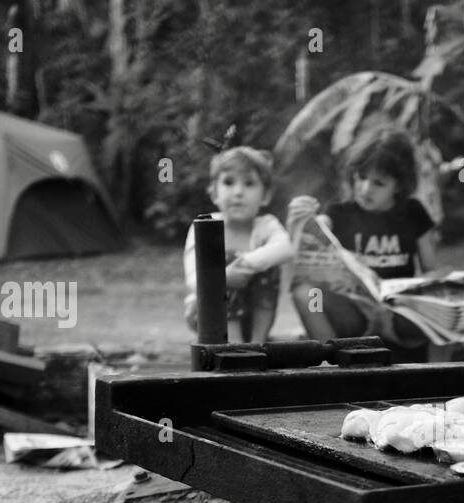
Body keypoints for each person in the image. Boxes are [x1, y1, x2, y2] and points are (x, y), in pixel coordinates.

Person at [286, 129, 437, 357]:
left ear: (398, 185)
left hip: (399, 313)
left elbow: (431, 269)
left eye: (378, 183)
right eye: (361, 177)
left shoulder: (413, 212)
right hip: (354, 312)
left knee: (451, 308)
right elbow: (308, 248)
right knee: (306, 295)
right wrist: (297, 224)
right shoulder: (338, 213)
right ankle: (331, 362)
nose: (366, 188)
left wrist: (423, 290)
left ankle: (440, 376)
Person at [183, 146, 293, 343]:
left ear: (266, 195)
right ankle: (234, 347)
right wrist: (224, 277)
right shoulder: (204, 226)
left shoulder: (266, 225)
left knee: (269, 265)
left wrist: (244, 265)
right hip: (207, 314)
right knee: (224, 264)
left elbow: (286, 248)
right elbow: (194, 280)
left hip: (253, 312)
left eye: (249, 184)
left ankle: (257, 344)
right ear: (214, 192)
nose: (238, 192)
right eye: (228, 182)